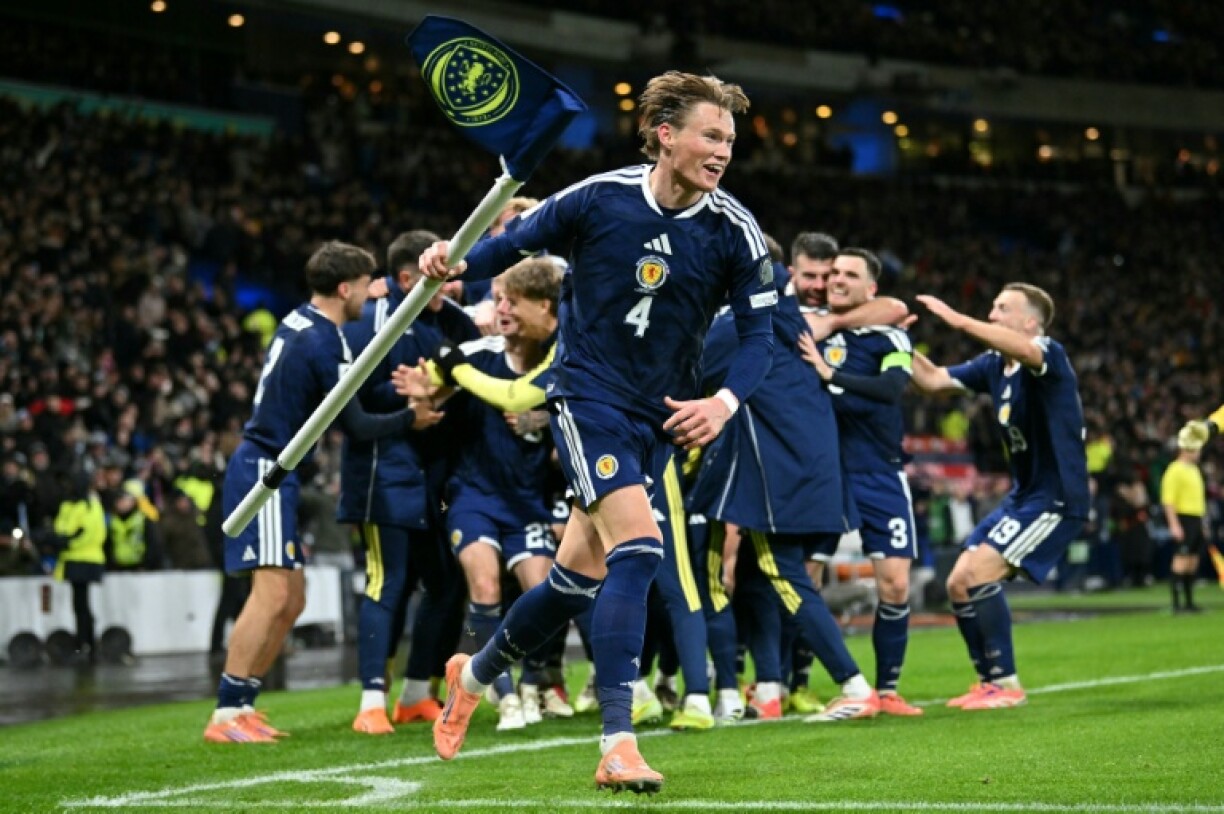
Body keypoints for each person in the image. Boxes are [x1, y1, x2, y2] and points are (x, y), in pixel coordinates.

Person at [418, 71, 778, 794]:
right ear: (666, 136)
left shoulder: (733, 228)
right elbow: (515, 244)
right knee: (640, 551)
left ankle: (473, 674)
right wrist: (456, 266)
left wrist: (726, 402)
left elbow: (762, 332)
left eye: (731, 141)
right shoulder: (599, 195)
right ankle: (618, 740)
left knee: (575, 580)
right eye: (711, 135)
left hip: (661, 418)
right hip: (587, 398)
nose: (723, 151)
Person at [205, 241, 423, 744]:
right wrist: (414, 416)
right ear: (344, 288)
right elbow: (358, 424)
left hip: (277, 469)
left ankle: (244, 702)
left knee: (293, 599)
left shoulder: (301, 323)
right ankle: (225, 714)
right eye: (368, 286)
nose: (372, 296)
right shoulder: (325, 340)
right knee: (272, 593)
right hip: (265, 471)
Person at [910, 283, 1089, 710]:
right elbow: (933, 380)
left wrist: (957, 319)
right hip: (1023, 495)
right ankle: (987, 680)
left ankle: (1007, 685)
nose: (992, 313)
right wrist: (893, 342)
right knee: (957, 581)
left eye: (1002, 308)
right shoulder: (994, 364)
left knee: (981, 574)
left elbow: (1025, 350)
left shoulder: (1048, 352)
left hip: (1056, 497)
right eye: (991, 306)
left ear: (1030, 322)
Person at [339, 229, 464, 736]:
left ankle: (416, 693)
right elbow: (356, 407)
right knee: (386, 581)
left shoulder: (443, 320)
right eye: (442, 271)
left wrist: (437, 396)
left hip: (430, 478)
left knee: (444, 582)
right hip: (382, 475)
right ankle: (372, 699)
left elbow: (476, 353)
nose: (452, 280)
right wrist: (410, 412)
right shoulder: (373, 322)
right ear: (410, 276)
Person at [797, 248, 923, 716]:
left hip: (879, 471)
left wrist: (831, 374)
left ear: (871, 287)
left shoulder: (890, 337)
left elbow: (892, 390)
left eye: (850, 274)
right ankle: (799, 683)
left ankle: (887, 690)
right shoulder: (807, 324)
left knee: (893, 584)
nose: (837, 280)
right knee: (805, 577)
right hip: (822, 472)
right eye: (833, 274)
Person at [53, 471, 108, 663]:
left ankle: (87, 644)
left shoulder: (90, 505)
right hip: (75, 559)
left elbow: (91, 533)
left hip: (85, 560)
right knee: (80, 605)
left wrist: (67, 542)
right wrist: (64, 539)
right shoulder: (72, 505)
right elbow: (62, 528)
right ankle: (85, 643)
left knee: (82, 605)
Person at [1161, 429, 1207, 613]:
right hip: (1183, 518)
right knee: (1181, 559)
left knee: (1192, 560)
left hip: (1196, 518)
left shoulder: (1194, 469)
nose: (1199, 452)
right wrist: (1174, 524)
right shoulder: (1174, 469)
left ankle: (1189, 603)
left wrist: (1202, 524)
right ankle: (1176, 604)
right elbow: (1168, 500)